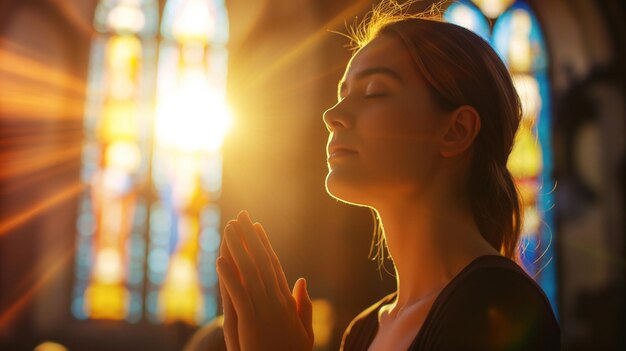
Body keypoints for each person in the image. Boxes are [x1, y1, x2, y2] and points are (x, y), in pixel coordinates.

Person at [215, 1, 560, 350]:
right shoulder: (363, 331)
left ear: (456, 131)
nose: (332, 115)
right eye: (343, 93)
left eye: (373, 91)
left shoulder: (499, 305)